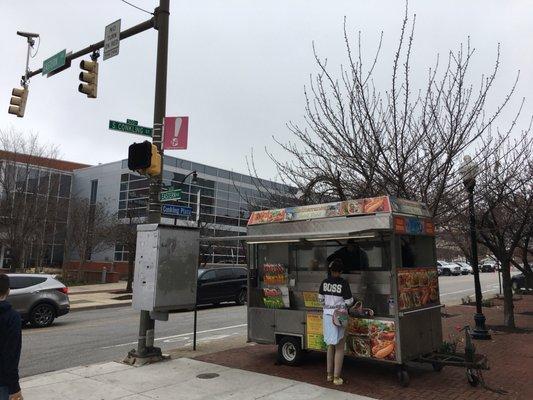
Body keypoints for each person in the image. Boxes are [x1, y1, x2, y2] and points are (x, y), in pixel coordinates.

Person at [318, 259, 354, 385]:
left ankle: (328, 375)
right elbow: (349, 302)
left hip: (327, 315)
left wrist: (327, 305)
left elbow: (320, 299)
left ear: (330, 270)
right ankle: (337, 377)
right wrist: (342, 304)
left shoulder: (324, 282)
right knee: (339, 347)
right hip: (340, 314)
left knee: (330, 345)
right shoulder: (343, 283)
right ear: (341, 271)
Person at [0, 274, 23, 400]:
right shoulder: (12, 317)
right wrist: (15, 387)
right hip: (2, 382)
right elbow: (11, 355)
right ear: (8, 290)